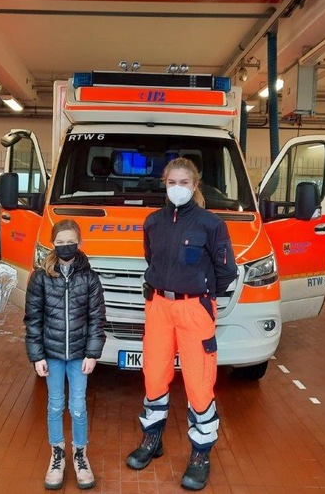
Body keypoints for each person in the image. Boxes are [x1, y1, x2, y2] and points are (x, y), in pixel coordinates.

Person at [126, 157, 238, 491]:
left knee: (199, 382)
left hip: (195, 309)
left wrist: (202, 297)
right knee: (154, 375)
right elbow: (152, 259)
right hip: (158, 306)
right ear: (165, 184)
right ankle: (152, 438)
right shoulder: (153, 222)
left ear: (195, 186)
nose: (178, 188)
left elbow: (226, 270)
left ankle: (201, 455)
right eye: (172, 183)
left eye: (184, 183)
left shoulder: (211, 224)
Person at [24, 219, 107, 490]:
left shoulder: (90, 278)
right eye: (59, 242)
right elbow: (33, 319)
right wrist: (37, 356)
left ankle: (80, 454)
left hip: (80, 354)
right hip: (52, 354)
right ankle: (57, 455)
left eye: (70, 241)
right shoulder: (40, 277)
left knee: (78, 406)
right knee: (56, 405)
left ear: (79, 242)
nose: (65, 246)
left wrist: (93, 353)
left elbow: (97, 318)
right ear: (53, 244)